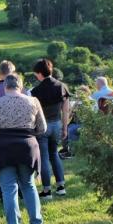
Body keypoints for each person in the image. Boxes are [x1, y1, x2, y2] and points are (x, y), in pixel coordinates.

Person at [0, 74, 45, 224]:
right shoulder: (34, 101)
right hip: (27, 147)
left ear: (5, 87)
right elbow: (42, 128)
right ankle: (36, 223)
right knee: (29, 185)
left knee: (9, 189)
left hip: (4, 149)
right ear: (21, 86)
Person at [30, 59, 69, 200]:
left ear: (40, 73)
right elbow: (66, 109)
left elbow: (33, 113)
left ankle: (47, 191)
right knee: (55, 154)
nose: (36, 76)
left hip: (43, 126)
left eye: (36, 74)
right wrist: (65, 127)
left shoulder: (35, 91)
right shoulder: (61, 86)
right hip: (57, 123)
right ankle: (61, 186)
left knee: (44, 158)